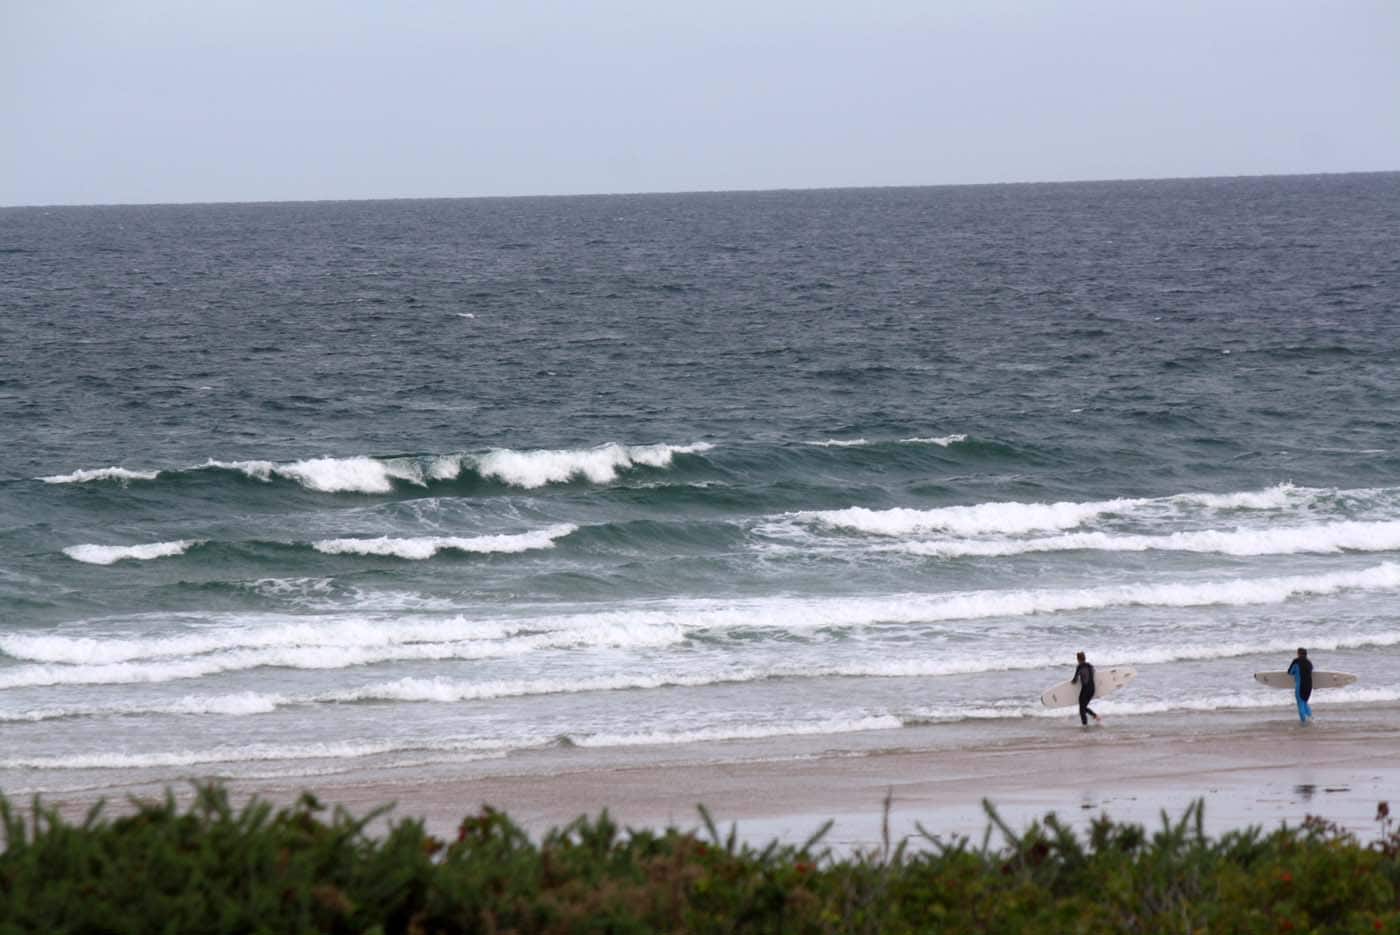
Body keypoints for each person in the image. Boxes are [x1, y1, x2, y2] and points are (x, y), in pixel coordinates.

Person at [1071, 651, 1100, 726]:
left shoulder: (1079, 667)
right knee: (1083, 707)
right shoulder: (1090, 666)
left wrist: (1071, 682)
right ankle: (1094, 716)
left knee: (1082, 709)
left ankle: (1085, 725)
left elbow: (1075, 680)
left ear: (1078, 659)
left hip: (1085, 690)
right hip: (1092, 689)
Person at [1288, 647, 1313, 723]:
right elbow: (1312, 669)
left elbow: (1290, 672)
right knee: (1304, 702)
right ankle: (1311, 718)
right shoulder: (1309, 663)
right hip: (1309, 685)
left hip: (1300, 686)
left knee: (1300, 703)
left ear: (1298, 654)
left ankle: (1304, 722)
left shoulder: (1296, 661)